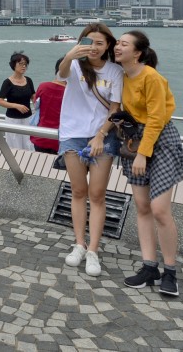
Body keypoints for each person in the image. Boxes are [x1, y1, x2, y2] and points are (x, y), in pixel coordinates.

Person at [114, 30, 183, 297]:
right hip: (135, 140)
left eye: (124, 44)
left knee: (159, 209)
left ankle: (170, 272)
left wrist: (144, 153)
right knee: (142, 206)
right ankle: (149, 267)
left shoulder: (151, 77)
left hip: (160, 141)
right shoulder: (121, 75)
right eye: (117, 43)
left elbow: (157, 118)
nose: (117, 47)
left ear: (138, 53)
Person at [58, 23, 123, 278]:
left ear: (108, 45)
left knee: (96, 194)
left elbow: (115, 109)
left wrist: (100, 135)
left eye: (99, 43)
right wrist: (69, 55)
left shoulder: (115, 71)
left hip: (102, 137)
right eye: (89, 42)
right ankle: (79, 244)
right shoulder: (75, 64)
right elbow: (62, 75)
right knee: (77, 191)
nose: (94, 47)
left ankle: (93, 250)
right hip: (72, 134)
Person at [0, 51, 35, 151]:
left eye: (25, 64)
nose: (24, 66)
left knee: (29, 144)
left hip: (28, 118)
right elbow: (0, 101)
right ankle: (14, 165)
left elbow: (33, 97)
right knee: (15, 145)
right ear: (14, 65)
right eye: (21, 64)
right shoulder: (7, 82)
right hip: (13, 119)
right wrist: (17, 106)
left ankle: (28, 165)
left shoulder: (29, 80)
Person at [30, 58, 65, 153]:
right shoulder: (70, 92)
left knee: (40, 165)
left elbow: (36, 104)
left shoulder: (43, 86)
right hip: (61, 139)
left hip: (41, 135)